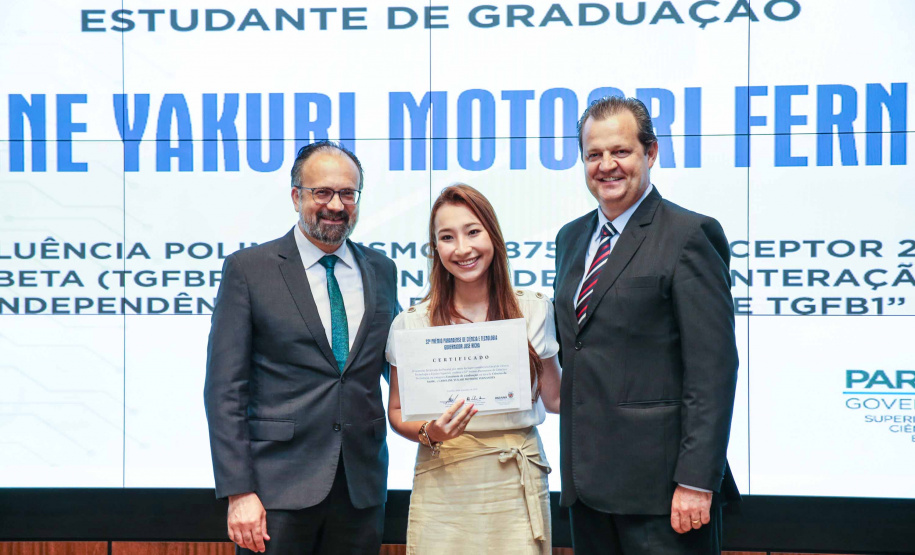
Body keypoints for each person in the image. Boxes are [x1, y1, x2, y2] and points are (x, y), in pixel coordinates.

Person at [553, 96, 740, 554]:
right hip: (587, 489)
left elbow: (712, 372)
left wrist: (696, 481)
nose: (607, 165)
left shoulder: (689, 235)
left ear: (650, 153)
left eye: (621, 151)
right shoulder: (571, 238)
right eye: (593, 154)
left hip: (663, 495)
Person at [203, 140, 397, 555]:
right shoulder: (249, 270)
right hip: (275, 493)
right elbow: (225, 391)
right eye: (322, 192)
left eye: (348, 193)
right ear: (296, 196)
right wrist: (239, 492)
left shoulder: (381, 270)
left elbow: (401, 362)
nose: (336, 205)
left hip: (360, 490)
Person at [385, 184, 562, 554]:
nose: (462, 249)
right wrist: (430, 431)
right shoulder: (411, 324)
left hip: (516, 477)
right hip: (444, 474)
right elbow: (398, 412)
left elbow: (556, 397)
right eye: (447, 237)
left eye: (472, 231)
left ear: (493, 236)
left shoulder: (534, 310)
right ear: (435, 249)